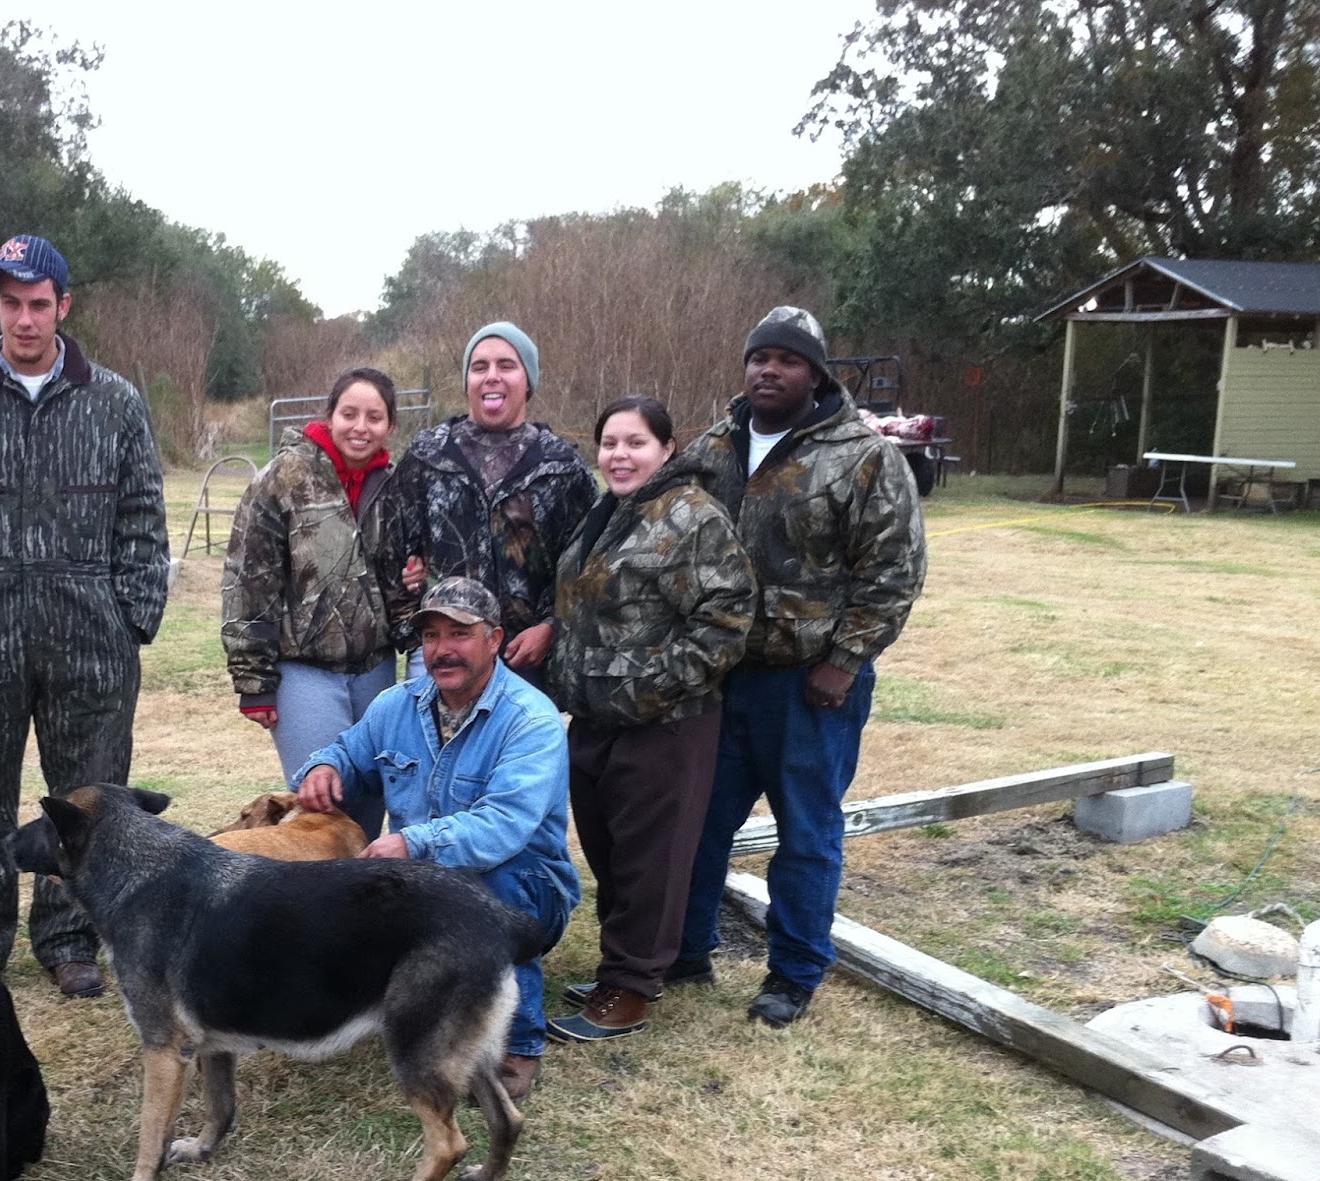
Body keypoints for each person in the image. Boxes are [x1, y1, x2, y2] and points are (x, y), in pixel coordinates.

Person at [0, 233, 169, 998]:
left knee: (86, 799)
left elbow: (143, 516)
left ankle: (70, 934)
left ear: (63, 307)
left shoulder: (114, 402)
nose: (24, 319)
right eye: (10, 303)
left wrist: (131, 617)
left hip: (90, 637)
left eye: (38, 304)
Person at [674, 307, 927, 1027]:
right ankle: (686, 950)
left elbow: (895, 571)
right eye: (760, 357)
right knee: (700, 822)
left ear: (814, 375)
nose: (770, 370)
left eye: (787, 360)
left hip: (811, 685)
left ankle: (793, 971)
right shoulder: (714, 447)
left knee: (806, 834)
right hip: (723, 677)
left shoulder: (862, 456)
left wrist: (845, 660)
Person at [295, 577, 580, 1101]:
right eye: (430, 636)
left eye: (459, 634)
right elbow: (348, 751)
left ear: (494, 639)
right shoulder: (396, 705)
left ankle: (518, 1045)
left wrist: (412, 845)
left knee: (495, 882)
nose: (442, 649)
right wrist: (323, 768)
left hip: (522, 889)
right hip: (424, 884)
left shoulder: (531, 720)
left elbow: (504, 825)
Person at [544, 397, 755, 1043]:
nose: (619, 455)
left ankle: (630, 990)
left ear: (667, 449)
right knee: (611, 855)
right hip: (597, 718)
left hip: (663, 724)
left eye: (635, 443)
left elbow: (727, 618)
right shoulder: (610, 512)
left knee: (649, 862)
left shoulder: (692, 516)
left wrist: (652, 687)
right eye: (609, 442)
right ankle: (623, 968)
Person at [220, 367, 402, 836]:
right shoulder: (284, 478)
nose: (360, 427)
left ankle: (365, 885)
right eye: (349, 414)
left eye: (374, 417)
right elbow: (248, 579)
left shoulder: (395, 487)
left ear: (390, 425)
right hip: (303, 671)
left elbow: (400, 575)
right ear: (330, 415)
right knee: (322, 808)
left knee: (370, 802)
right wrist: (254, 681)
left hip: (376, 669)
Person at [371, 321, 597, 689]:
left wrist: (551, 627)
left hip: (525, 663)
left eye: (506, 365)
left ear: (528, 380)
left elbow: (587, 566)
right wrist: (414, 636)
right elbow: (389, 553)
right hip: (439, 664)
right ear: (467, 382)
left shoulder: (563, 467)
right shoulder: (428, 456)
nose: (492, 376)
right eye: (479, 367)